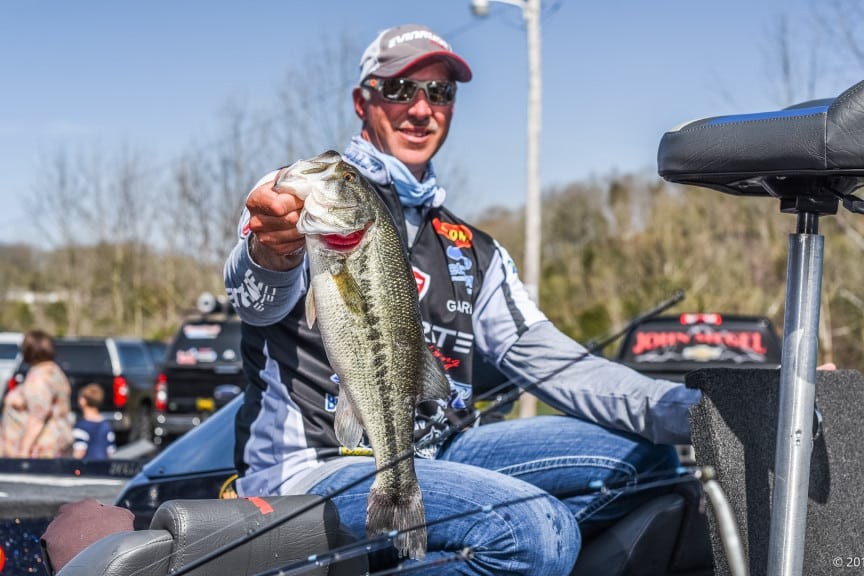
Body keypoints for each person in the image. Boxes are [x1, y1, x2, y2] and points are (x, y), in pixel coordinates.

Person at [224, 24, 700, 574]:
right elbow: (254, 301)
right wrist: (273, 250)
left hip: (436, 452)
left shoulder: (474, 250)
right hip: (314, 467)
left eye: (440, 92)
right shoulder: (302, 197)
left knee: (648, 460)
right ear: (362, 101)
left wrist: (702, 412)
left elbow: (559, 365)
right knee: (531, 530)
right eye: (399, 89)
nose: (420, 108)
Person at [1, 329, 73, 458]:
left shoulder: (38, 378)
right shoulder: (54, 372)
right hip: (56, 446)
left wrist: (23, 452)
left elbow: (37, 417)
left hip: (39, 452)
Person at [72, 383, 116, 461]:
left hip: (87, 467)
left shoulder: (81, 426)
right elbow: (111, 451)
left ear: (82, 401)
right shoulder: (106, 425)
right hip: (103, 466)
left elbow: (79, 452)